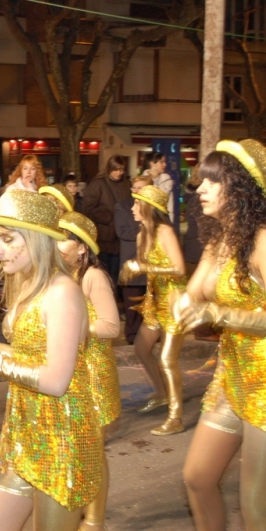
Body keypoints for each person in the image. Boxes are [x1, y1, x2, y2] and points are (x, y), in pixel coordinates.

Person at [0, 189, 101, 531]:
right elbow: (29, 355)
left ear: (37, 240)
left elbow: (56, 381)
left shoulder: (63, 293)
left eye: (7, 240)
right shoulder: (28, 286)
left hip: (62, 439)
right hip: (26, 433)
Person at [171, 139, 266, 531]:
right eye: (200, 182)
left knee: (255, 507)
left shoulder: (261, 241)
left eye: (213, 181)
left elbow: (211, 307)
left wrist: (214, 311)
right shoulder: (219, 239)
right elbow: (192, 294)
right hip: (232, 375)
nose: (200, 189)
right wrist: (179, 303)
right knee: (197, 476)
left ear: (240, 188)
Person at [57, 211, 122, 531]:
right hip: (72, 371)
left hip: (94, 372)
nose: (57, 245)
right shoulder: (62, 276)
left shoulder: (93, 276)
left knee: (93, 451)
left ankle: (95, 522)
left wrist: (74, 326)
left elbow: (112, 327)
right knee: (76, 447)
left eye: (64, 239)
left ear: (82, 248)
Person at [119, 185, 187, 435]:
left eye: (137, 204)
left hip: (175, 301)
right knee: (141, 347)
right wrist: (134, 268)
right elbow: (145, 268)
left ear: (148, 208)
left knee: (167, 359)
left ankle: (176, 417)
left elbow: (179, 269)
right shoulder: (142, 235)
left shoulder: (165, 231)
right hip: (156, 301)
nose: (133, 208)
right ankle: (161, 393)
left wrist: (144, 267)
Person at [114, 174, 152, 344]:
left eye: (140, 187)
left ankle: (148, 338)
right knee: (131, 306)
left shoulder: (154, 208)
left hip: (150, 265)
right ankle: (132, 337)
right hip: (131, 262)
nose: (136, 191)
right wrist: (145, 229)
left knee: (148, 305)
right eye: (134, 187)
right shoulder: (123, 207)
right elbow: (123, 232)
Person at [83, 155, 130, 284]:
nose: (119, 173)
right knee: (103, 273)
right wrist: (108, 217)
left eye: (121, 169)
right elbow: (87, 207)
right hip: (103, 236)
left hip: (119, 237)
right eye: (116, 169)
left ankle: (114, 297)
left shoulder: (125, 183)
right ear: (109, 169)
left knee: (115, 273)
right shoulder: (98, 184)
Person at [142, 151, 175, 223]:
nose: (165, 164)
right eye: (161, 162)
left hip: (163, 220)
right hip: (147, 220)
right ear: (153, 163)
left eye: (164, 162)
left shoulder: (167, 180)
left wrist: (170, 221)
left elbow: (170, 204)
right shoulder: (142, 181)